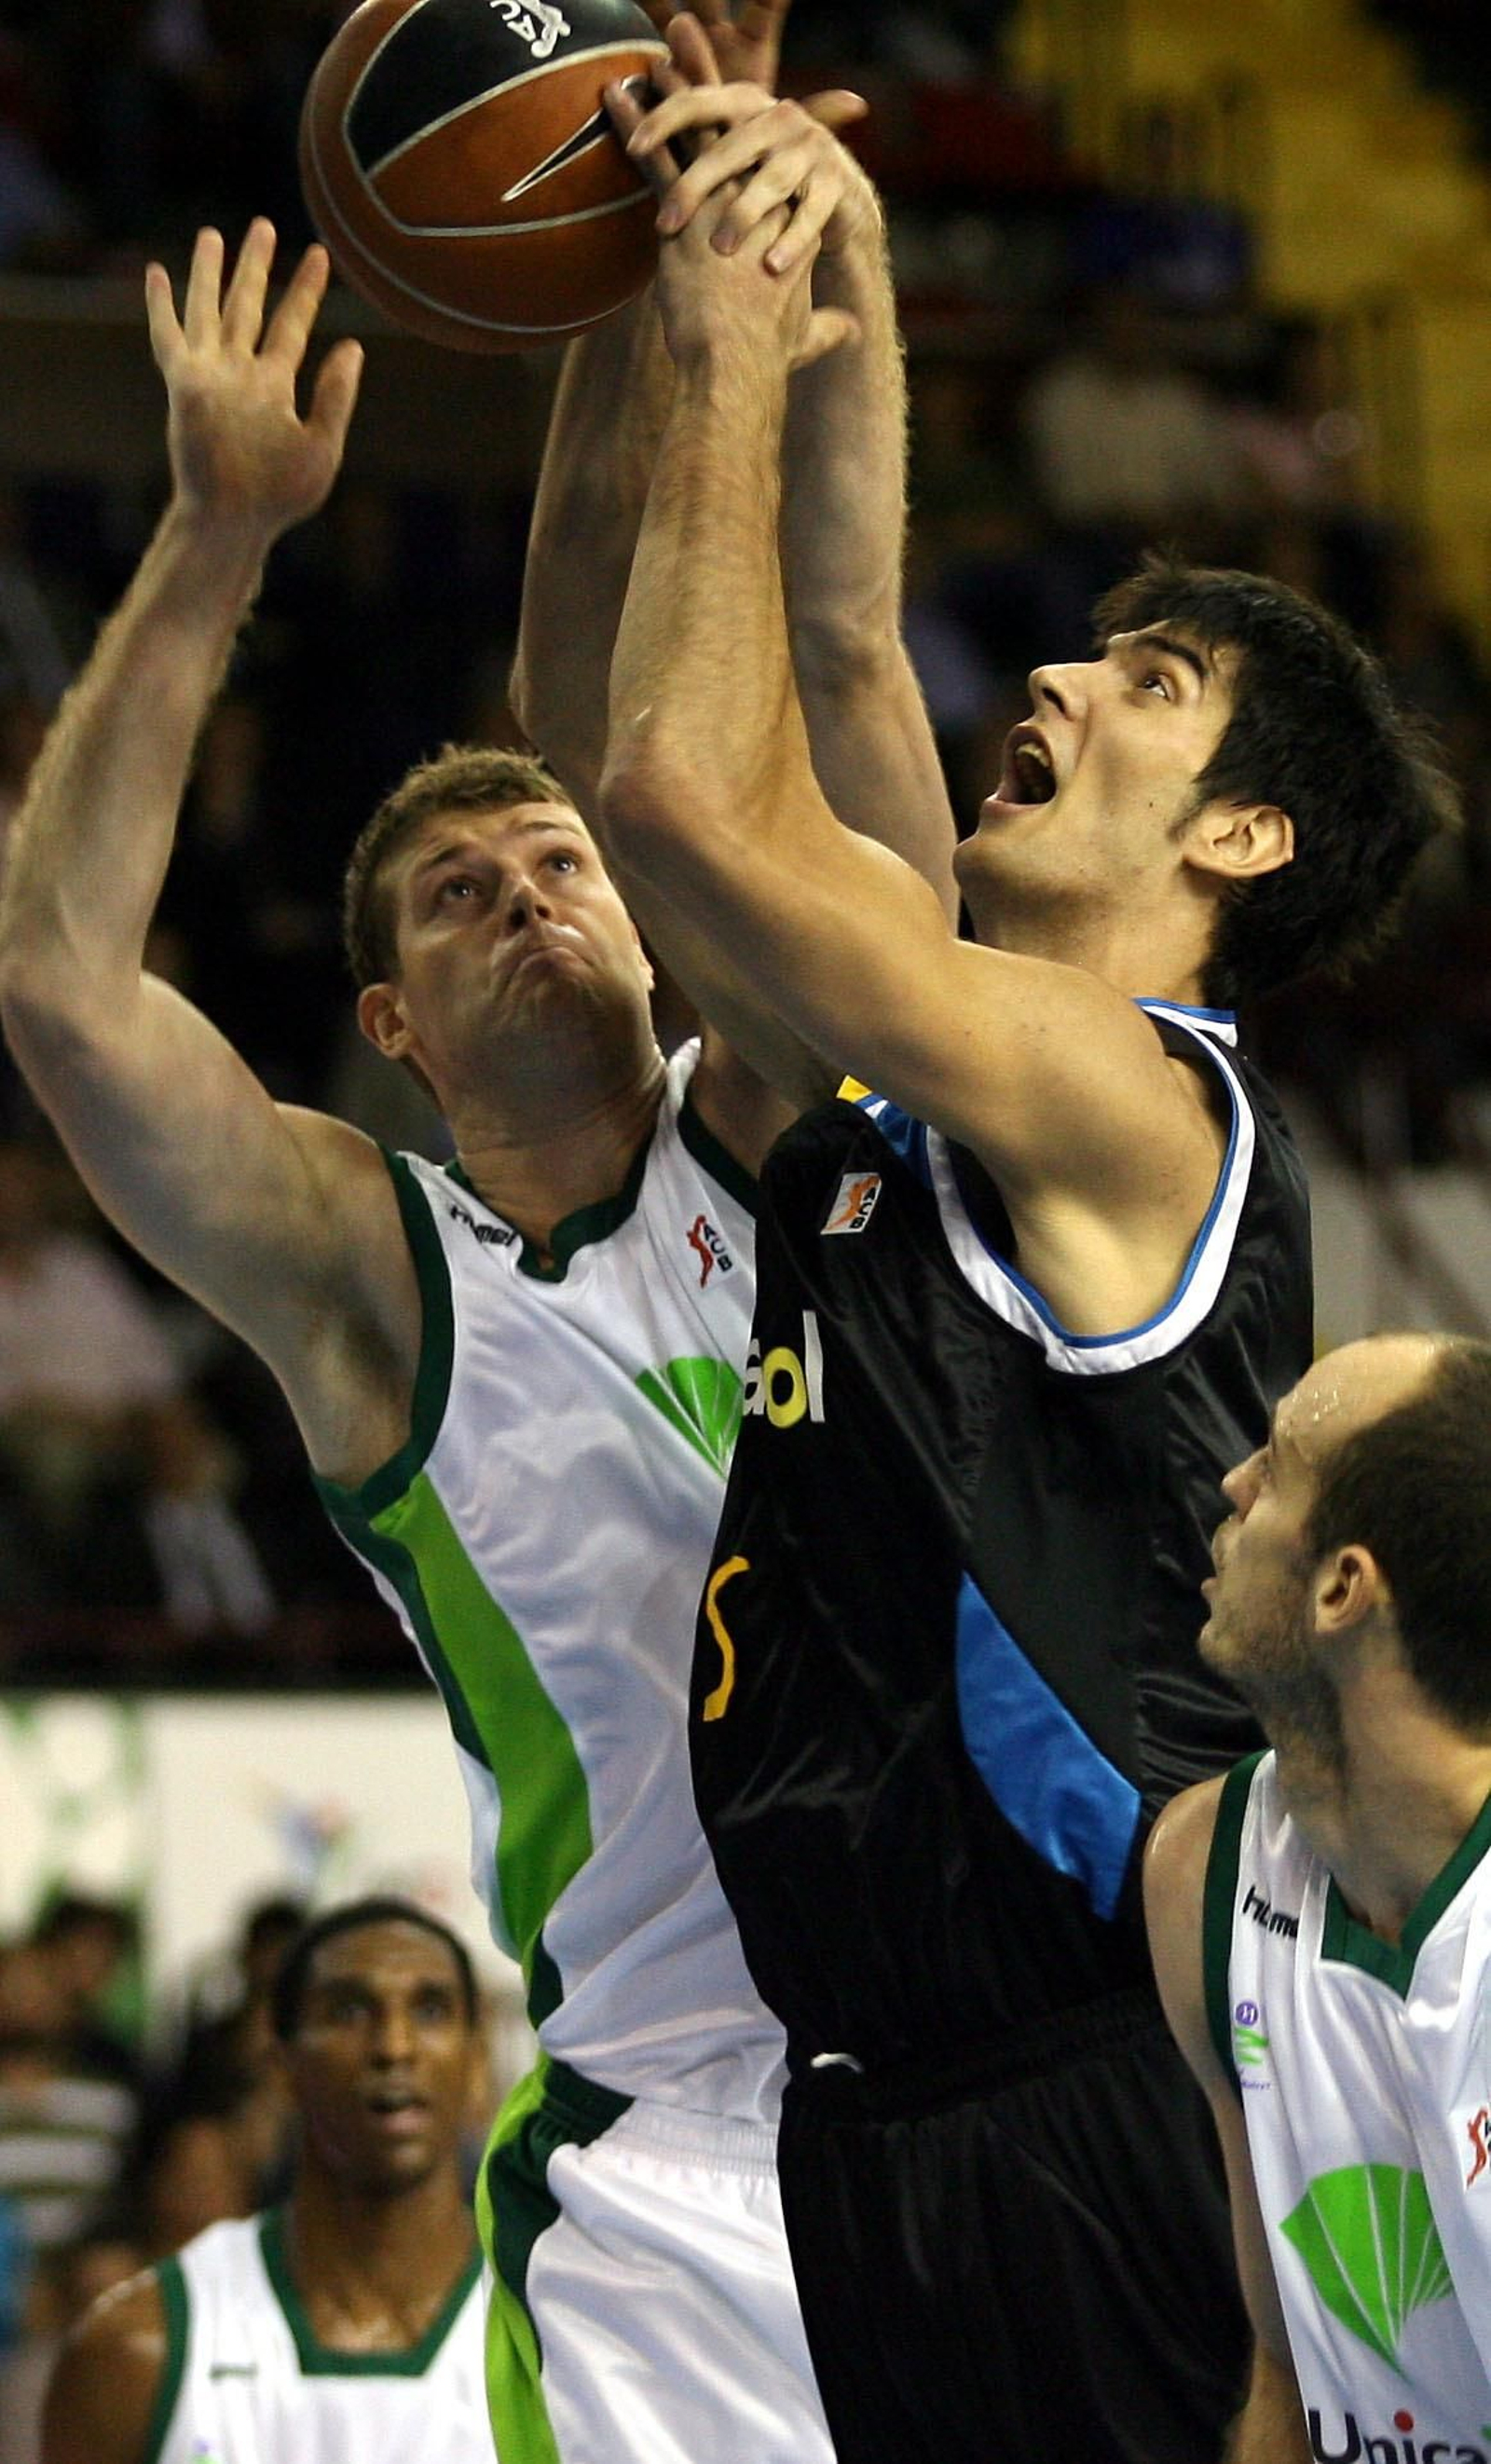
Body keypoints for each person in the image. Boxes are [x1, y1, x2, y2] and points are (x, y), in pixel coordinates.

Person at [0, 10, 957, 2458]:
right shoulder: (379, 1281)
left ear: (647, 924)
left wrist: (637, 280)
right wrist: (219, 530)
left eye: (561, 862)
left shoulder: (784, 1116)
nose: (532, 895)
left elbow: (612, 670)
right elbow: (63, 988)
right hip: (677, 2168)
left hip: (998, 2078)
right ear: (395, 1027)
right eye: (458, 894)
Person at [592, 51, 1459, 2462]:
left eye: (1150, 684)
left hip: (1094, 2080)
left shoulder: (1132, 1093)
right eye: (1087, 650)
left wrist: (722, 338)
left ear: (1252, 833)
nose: (1059, 679)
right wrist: (845, 270)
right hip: (886, 2109)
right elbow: (849, 654)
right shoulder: (930, 1084)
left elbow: (672, 777)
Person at [1145, 1334, 1491, 2461]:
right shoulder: (1202, 1871)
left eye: (1277, 1466)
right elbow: (1286, 2368)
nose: (1231, 1485)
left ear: (1343, 1586)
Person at [41, 1898, 489, 2464]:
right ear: (280, 2067)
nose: (393, 2047)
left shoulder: (559, 2333)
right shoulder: (137, 2350)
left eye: (430, 2011)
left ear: (478, 2064)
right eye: (349, 2011)